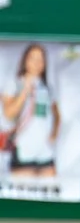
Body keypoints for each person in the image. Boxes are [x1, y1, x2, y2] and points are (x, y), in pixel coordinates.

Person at [1, 44, 60, 177]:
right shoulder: (14, 84)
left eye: (40, 59)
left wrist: (53, 135)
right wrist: (25, 91)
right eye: (32, 58)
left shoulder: (47, 88)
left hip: (44, 151)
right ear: (25, 60)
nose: (36, 63)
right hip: (23, 150)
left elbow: (56, 114)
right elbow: (9, 114)